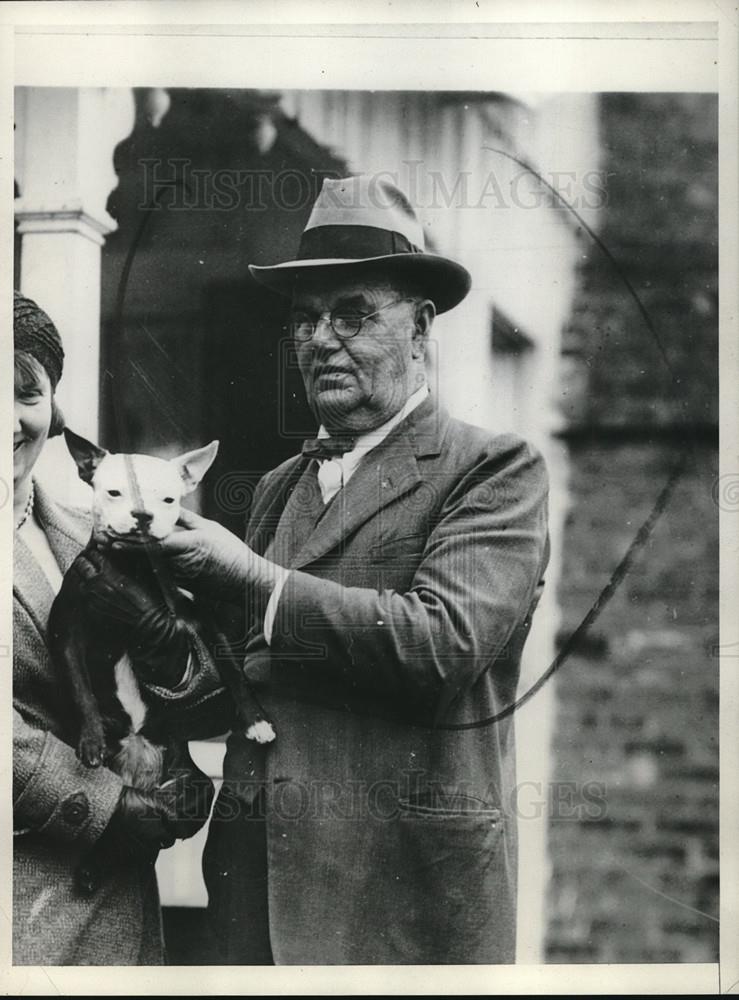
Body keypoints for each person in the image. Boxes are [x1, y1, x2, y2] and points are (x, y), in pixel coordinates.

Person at [134, 175, 550, 964]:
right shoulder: (276, 487)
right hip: (254, 902)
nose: (320, 339)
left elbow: (441, 645)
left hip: (404, 900)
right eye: (303, 318)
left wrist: (250, 580)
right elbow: (242, 683)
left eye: (352, 312)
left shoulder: (491, 469)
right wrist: (150, 618)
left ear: (422, 325)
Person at [12, 291, 221, 965]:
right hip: (15, 917)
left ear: (54, 410)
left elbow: (180, 666)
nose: (4, 418)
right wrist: (98, 806)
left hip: (116, 928)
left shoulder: (98, 536)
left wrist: (177, 763)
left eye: (24, 393)